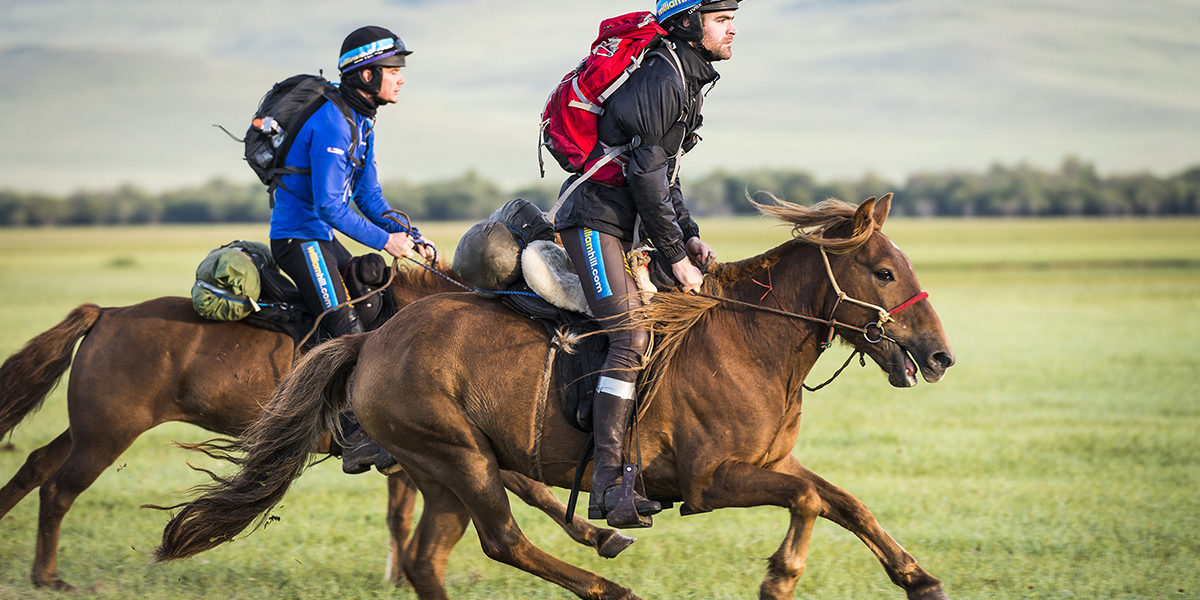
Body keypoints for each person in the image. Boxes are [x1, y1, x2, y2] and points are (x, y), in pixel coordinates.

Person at [554, 0, 739, 527]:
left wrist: (691, 236)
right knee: (630, 335)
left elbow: (666, 177)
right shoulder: (662, 75)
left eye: (731, 19)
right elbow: (644, 180)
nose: (732, 29)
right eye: (721, 20)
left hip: (623, 224)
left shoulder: (684, 76)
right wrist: (677, 257)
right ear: (688, 23)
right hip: (592, 221)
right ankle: (607, 483)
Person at [269, 25, 435, 475]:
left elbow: (368, 197)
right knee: (344, 326)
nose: (400, 78)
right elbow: (329, 204)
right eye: (393, 69)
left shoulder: (362, 121)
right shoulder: (330, 121)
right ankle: (352, 435)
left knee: (380, 304)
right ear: (365, 75)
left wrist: (408, 233)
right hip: (298, 239)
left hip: (322, 237)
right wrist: (385, 242)